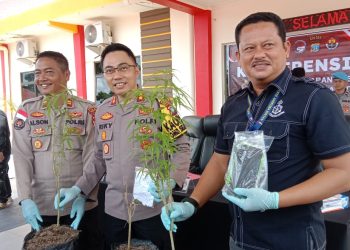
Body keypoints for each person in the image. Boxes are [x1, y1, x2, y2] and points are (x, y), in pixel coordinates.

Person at [160, 12, 350, 250]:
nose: (259, 54)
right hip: (240, 238)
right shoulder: (233, 105)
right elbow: (220, 163)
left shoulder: (315, 98)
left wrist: (274, 200)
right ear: (239, 56)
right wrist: (192, 202)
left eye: (268, 45)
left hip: (293, 240)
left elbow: (343, 174)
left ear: (286, 48)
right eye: (249, 48)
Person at [54, 43, 190, 250]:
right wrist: (78, 187)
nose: (117, 75)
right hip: (114, 209)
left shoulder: (161, 105)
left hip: (152, 208)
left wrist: (172, 180)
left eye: (123, 68)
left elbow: (181, 146)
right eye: (109, 70)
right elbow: (99, 157)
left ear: (137, 70)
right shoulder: (101, 111)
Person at [12, 51, 101, 250]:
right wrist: (25, 199)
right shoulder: (27, 110)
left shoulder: (87, 110)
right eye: (37, 73)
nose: (41, 78)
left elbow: (93, 157)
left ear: (67, 75)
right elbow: (21, 157)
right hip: (41, 205)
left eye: (49, 72)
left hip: (81, 205)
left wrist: (84, 195)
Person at [0, 109, 12, 209]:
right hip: (3, 149)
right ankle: (7, 195)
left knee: (1, 173)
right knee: (3, 172)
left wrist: (0, 150)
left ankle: (2, 200)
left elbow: (2, 132)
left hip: (2, 150)